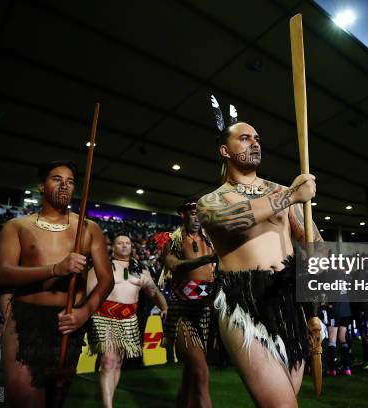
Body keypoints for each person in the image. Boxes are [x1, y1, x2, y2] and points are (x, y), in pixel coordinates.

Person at [198, 105, 322, 407]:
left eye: (257, 139)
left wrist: (313, 311)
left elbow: (315, 247)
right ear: (225, 150)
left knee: (287, 397)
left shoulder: (281, 190)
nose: (254, 143)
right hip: (243, 300)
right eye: (244, 138)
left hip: (288, 300)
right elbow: (231, 220)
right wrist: (292, 197)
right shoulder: (211, 200)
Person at [0, 160, 114, 407]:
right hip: (25, 318)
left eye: (70, 182)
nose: (64, 185)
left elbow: (106, 280)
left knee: (55, 398)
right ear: (41, 186)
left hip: (68, 322)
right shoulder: (18, 226)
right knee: (23, 398)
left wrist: (84, 312)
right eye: (57, 179)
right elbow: (1, 274)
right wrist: (55, 269)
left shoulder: (89, 227)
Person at [86, 234, 167, 408]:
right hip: (103, 317)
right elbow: (86, 291)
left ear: (132, 247)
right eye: (120, 243)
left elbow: (153, 292)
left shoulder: (141, 270)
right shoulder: (102, 267)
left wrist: (164, 307)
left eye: (128, 243)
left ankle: (109, 400)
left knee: (116, 363)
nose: (124, 246)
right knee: (108, 361)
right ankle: (107, 406)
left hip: (129, 319)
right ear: (113, 247)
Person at [162, 198, 217, 407]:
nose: (197, 218)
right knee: (201, 371)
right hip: (182, 311)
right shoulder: (172, 240)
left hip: (206, 310)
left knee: (190, 373)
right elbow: (173, 265)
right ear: (182, 215)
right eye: (193, 213)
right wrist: (207, 259)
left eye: (200, 214)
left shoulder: (211, 240)